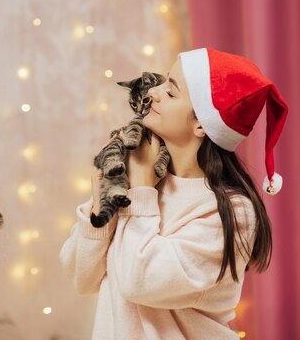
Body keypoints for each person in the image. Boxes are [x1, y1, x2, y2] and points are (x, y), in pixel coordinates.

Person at [59, 48, 288, 340]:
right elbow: (82, 277)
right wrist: (100, 203)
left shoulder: (232, 212)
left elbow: (138, 281)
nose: (154, 91)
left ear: (202, 124)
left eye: (171, 92)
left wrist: (141, 190)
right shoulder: (142, 175)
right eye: (164, 82)